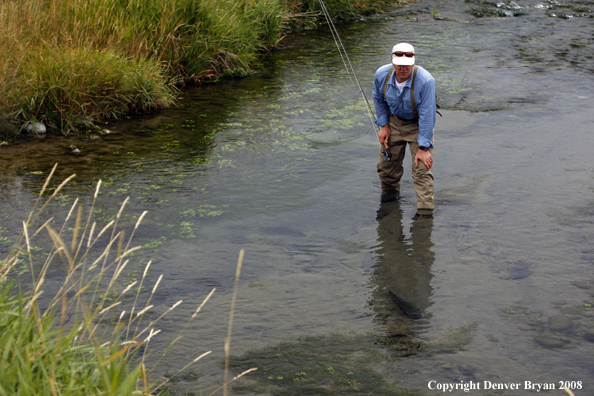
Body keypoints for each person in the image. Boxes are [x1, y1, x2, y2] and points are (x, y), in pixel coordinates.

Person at [372, 42, 437, 218]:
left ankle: (425, 216)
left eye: (407, 65)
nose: (403, 68)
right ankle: (390, 202)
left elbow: (428, 115)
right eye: (399, 64)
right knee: (386, 168)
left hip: (419, 126)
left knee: (421, 171)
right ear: (392, 62)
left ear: (413, 63)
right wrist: (383, 125)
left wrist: (423, 148)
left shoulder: (426, 81)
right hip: (393, 122)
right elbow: (378, 98)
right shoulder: (381, 75)